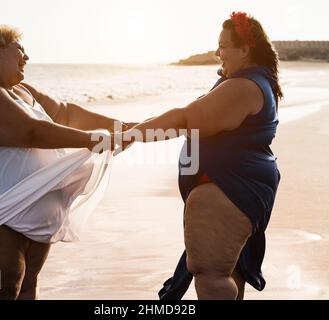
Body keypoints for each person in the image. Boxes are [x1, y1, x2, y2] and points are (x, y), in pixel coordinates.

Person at [0, 25, 127, 299]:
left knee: (26, 286)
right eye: (20, 49)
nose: (26, 57)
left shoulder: (23, 91)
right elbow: (30, 132)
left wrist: (123, 126)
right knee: (0, 289)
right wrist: (95, 140)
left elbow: (66, 113)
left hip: (30, 202)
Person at [119, 12, 282, 299]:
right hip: (235, 186)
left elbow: (184, 120)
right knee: (227, 272)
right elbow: (188, 118)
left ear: (245, 49)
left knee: (211, 275)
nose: (219, 53)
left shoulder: (243, 87)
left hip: (229, 188)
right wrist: (136, 128)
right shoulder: (246, 82)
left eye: (223, 46)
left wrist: (129, 138)